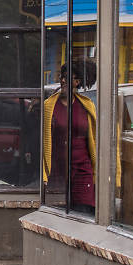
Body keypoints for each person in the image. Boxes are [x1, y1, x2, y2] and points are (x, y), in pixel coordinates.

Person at [43, 60, 97, 214]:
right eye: (61, 76)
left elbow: (93, 138)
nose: (63, 80)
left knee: (84, 211)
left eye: (68, 77)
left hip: (82, 169)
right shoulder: (49, 106)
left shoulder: (87, 106)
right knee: (59, 213)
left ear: (77, 82)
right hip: (58, 170)